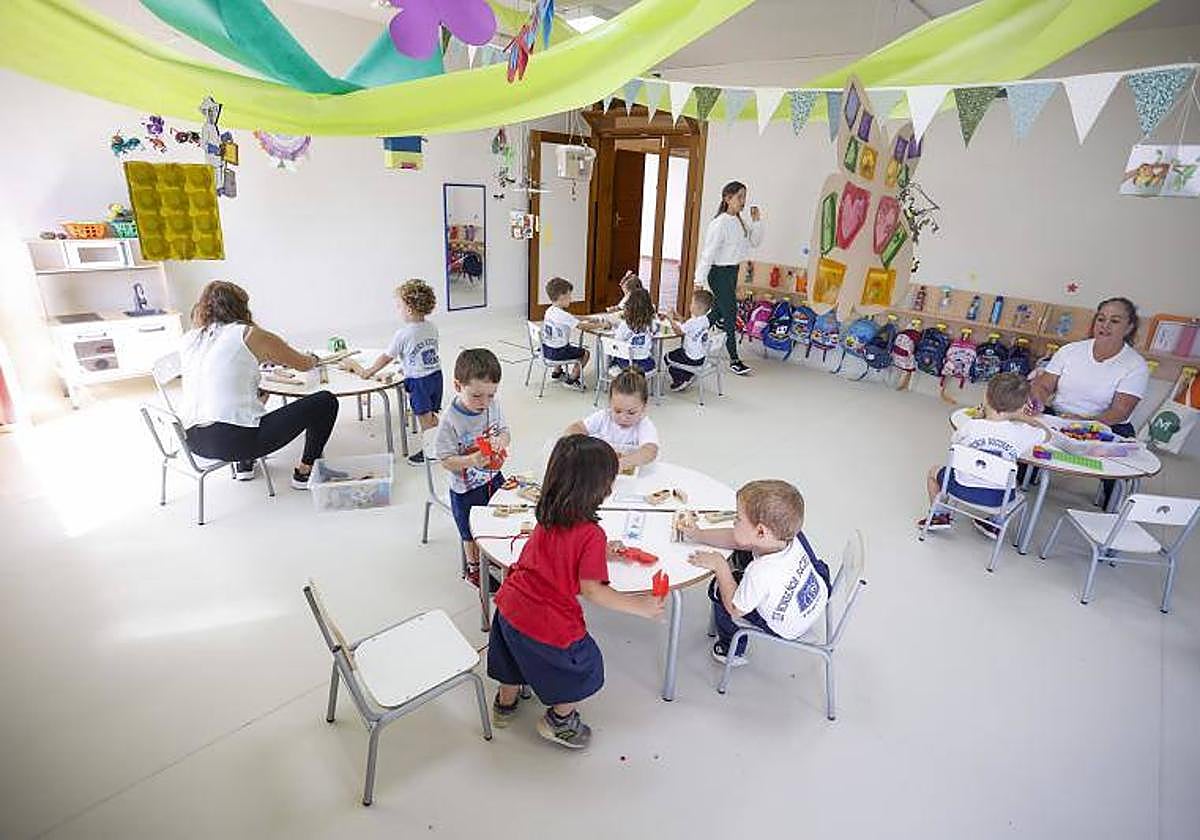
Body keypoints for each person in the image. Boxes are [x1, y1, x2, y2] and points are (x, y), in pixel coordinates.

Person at [488, 434, 665, 749]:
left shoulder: (547, 514)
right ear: (598, 487)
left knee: (510, 655)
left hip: (509, 605)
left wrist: (599, 553)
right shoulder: (591, 534)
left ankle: (505, 704)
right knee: (583, 668)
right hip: (547, 621)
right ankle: (558, 721)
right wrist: (642, 607)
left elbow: (556, 555)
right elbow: (594, 592)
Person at [180, 280, 338, 490]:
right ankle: (304, 473)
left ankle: (244, 465)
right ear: (241, 306)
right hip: (234, 442)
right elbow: (302, 364)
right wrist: (314, 358)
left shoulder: (189, 339)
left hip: (192, 441)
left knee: (250, 394)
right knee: (325, 401)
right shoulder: (249, 334)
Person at [684, 479, 828, 666]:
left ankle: (731, 650)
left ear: (760, 532)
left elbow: (735, 610)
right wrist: (699, 534)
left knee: (718, 589)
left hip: (787, 627)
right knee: (744, 549)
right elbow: (739, 539)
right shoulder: (790, 536)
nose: (734, 521)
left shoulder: (760, 573)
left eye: (738, 519)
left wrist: (721, 566)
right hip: (820, 592)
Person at [1028, 297, 1149, 505]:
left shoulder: (1135, 366)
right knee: (1023, 431)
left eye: (1115, 321)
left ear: (1129, 327)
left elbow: (1120, 410)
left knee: (1120, 464)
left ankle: (1109, 502)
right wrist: (1037, 401)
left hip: (1106, 425)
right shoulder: (1070, 351)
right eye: (1101, 319)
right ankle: (1024, 480)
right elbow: (1044, 385)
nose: (1105, 326)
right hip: (1060, 416)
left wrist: (1085, 422)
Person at [920, 373, 1049, 538]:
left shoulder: (971, 426)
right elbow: (1046, 435)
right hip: (999, 499)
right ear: (1021, 406)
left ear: (986, 397)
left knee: (933, 472)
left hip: (959, 487)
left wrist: (979, 418)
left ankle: (938, 515)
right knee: (1012, 480)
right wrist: (1024, 418)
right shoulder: (1022, 433)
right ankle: (996, 522)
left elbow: (955, 442)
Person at [434, 349, 510, 590]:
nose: (485, 403)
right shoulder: (450, 421)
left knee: (499, 518)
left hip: (494, 477)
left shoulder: (493, 405)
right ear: (458, 386)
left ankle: (495, 556)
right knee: (469, 531)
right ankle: (474, 568)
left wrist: (502, 441)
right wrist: (471, 461)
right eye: (477, 396)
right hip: (465, 488)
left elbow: (506, 432)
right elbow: (445, 460)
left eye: (491, 395)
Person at [355, 279, 441, 466]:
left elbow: (387, 357)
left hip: (419, 381)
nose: (398, 310)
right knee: (432, 413)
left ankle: (431, 452)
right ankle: (438, 442)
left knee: (423, 416)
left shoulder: (403, 334)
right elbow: (425, 351)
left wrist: (370, 371)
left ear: (409, 309)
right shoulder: (431, 327)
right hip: (436, 375)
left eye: (399, 306)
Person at [695, 180, 763, 377]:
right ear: (727, 198)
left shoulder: (740, 222)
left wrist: (757, 221)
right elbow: (708, 253)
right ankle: (734, 359)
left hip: (732, 272)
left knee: (718, 311)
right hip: (718, 274)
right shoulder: (719, 223)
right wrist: (699, 278)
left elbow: (755, 241)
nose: (743, 201)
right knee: (731, 313)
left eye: (744, 197)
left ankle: (692, 334)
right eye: (739, 197)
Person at [564, 369, 659, 473]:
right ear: (610, 403)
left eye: (631, 413)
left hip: (630, 475)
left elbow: (650, 451)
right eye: (617, 411)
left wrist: (622, 463)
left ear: (644, 407)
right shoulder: (604, 416)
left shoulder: (644, 424)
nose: (623, 418)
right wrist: (588, 448)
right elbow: (574, 429)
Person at [541, 276, 602, 392]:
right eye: (569, 296)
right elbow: (582, 326)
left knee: (562, 343)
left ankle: (557, 372)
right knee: (585, 353)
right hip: (558, 352)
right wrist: (601, 325)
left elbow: (571, 318)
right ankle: (572, 379)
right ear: (562, 297)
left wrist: (588, 318)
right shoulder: (562, 315)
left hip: (546, 349)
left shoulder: (550, 311)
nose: (571, 299)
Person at [663, 288, 715, 392]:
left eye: (692, 303)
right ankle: (688, 374)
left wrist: (670, 319)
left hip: (690, 357)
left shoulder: (693, 323)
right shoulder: (705, 320)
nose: (689, 305)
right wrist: (676, 314)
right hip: (701, 357)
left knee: (668, 357)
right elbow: (686, 324)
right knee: (678, 353)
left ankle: (681, 380)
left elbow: (679, 332)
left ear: (698, 307)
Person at [612, 288, 656, 373]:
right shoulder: (650, 323)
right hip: (645, 362)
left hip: (627, 362)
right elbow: (654, 331)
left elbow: (617, 341)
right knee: (652, 360)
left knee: (614, 356)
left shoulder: (625, 324)